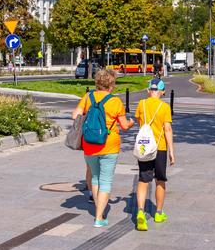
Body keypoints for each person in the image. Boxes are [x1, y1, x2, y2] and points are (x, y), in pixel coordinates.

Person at [72, 68, 134, 228]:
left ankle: (96, 205)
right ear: (111, 84)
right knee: (105, 180)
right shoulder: (115, 102)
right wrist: (132, 123)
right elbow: (125, 126)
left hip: (90, 144)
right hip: (109, 145)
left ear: (97, 82)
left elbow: (75, 115)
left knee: (95, 177)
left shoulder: (88, 97)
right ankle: (99, 217)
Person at [134, 78, 175, 231]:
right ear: (163, 92)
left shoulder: (141, 104)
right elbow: (167, 130)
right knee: (160, 180)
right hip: (160, 148)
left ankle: (140, 211)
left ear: (148, 90)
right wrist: (172, 151)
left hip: (144, 147)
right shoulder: (164, 107)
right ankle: (158, 212)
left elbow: (140, 124)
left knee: (143, 180)